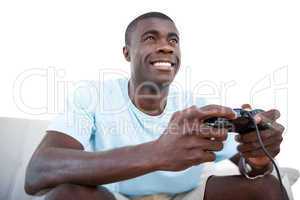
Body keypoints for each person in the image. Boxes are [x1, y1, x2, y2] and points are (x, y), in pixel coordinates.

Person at [25, 12, 286, 200]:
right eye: (151, 38)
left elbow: (248, 164)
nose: (166, 47)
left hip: (185, 196)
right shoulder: (92, 96)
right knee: (67, 195)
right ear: (127, 52)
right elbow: (38, 172)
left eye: (173, 41)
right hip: (114, 197)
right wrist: (157, 154)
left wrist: (257, 158)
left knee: (268, 189)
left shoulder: (197, 107)